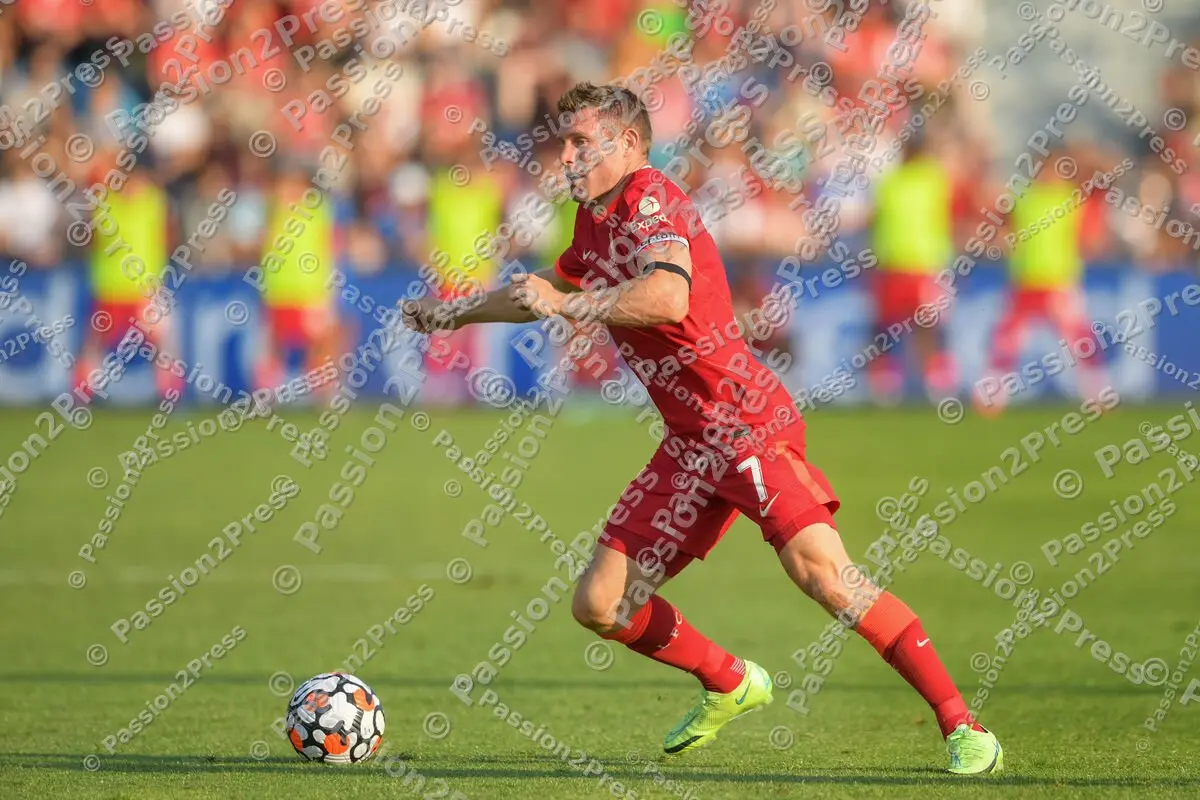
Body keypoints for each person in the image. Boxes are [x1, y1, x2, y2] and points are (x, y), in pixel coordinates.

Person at [402, 82, 1003, 775]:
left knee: (828, 579)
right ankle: (729, 681)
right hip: (690, 443)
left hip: (743, 422)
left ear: (626, 143)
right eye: (562, 140)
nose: (563, 155)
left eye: (578, 141)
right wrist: (456, 314)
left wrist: (569, 304)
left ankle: (963, 726)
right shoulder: (595, 218)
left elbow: (668, 295)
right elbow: (540, 289)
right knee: (601, 603)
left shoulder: (649, 197)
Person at [868, 134, 956, 403]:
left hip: (919, 264)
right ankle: (892, 383)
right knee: (893, 327)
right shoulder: (898, 182)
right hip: (904, 264)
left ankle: (931, 381)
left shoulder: (928, 180)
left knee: (922, 326)